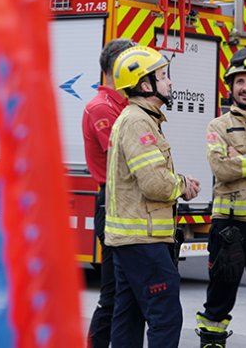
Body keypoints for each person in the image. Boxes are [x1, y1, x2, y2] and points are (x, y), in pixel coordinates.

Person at [105, 45, 201, 348]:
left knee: (129, 316)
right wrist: (183, 184)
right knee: (166, 315)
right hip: (143, 242)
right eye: (163, 76)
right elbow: (154, 183)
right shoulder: (137, 122)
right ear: (145, 85)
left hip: (133, 241)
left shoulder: (140, 119)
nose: (170, 82)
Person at [195, 48, 246, 348]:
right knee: (219, 297)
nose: (245, 87)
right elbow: (221, 168)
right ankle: (212, 343)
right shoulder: (217, 126)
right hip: (228, 228)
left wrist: (241, 159)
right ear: (231, 85)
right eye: (240, 81)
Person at [82, 38, 135, 348]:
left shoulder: (123, 105)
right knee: (113, 293)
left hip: (125, 204)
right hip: (112, 201)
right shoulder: (102, 108)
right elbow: (126, 159)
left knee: (127, 293)